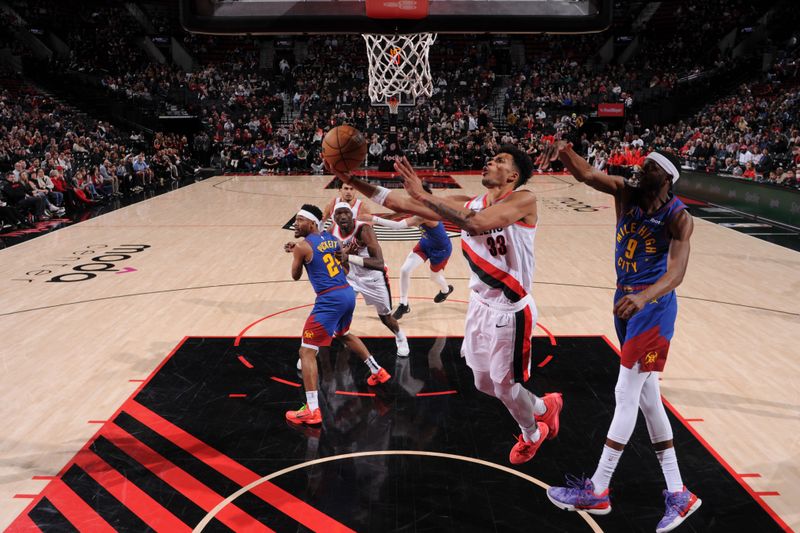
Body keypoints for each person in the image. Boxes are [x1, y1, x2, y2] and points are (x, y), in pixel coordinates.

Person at [327, 147, 562, 465]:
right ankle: (543, 407)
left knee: (506, 386)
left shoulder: (523, 200)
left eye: (499, 161)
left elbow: (475, 223)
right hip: (479, 305)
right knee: (482, 382)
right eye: (490, 158)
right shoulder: (467, 202)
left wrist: (422, 196)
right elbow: (402, 203)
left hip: (511, 310)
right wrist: (352, 179)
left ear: (513, 175)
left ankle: (533, 433)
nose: (489, 161)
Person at [538, 142, 701, 533]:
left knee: (625, 394)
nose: (638, 168)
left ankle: (598, 488)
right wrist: (564, 150)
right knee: (648, 401)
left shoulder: (679, 218)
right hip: (625, 299)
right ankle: (679, 494)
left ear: (666, 178)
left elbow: (676, 274)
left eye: (648, 167)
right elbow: (586, 174)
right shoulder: (626, 191)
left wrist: (643, 297)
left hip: (653, 309)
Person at [284, 204, 392, 426]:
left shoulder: (302, 247)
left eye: (299, 220)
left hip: (329, 300)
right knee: (343, 334)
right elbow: (343, 268)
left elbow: (295, 275)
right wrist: (300, 249)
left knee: (306, 351)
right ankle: (377, 370)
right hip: (346, 294)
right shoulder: (333, 240)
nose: (295, 223)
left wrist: (296, 253)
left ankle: (312, 409)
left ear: (311, 222)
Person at [330, 202, 410, 356]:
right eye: (339, 213)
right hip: (350, 278)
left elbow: (379, 263)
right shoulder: (332, 230)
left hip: (373, 279)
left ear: (352, 214)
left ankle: (401, 338)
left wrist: (349, 257)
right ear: (334, 217)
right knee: (337, 311)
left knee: (385, 317)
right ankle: (318, 346)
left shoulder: (364, 229)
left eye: (346, 212)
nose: (343, 216)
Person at [364, 183, 454, 319]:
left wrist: (373, 219)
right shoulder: (420, 206)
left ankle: (446, 290)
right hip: (425, 243)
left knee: (434, 277)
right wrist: (388, 217)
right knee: (405, 270)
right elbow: (403, 211)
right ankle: (404, 304)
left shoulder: (427, 214)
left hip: (441, 250)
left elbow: (398, 226)